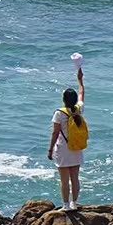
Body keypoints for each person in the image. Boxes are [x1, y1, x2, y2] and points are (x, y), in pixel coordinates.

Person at [47, 67, 87, 210]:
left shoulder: (59, 113)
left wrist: (50, 150)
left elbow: (55, 133)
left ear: (64, 100)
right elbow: (81, 92)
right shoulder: (79, 109)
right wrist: (80, 79)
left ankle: (65, 205)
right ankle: (74, 203)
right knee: (75, 178)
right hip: (76, 147)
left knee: (64, 180)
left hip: (63, 149)